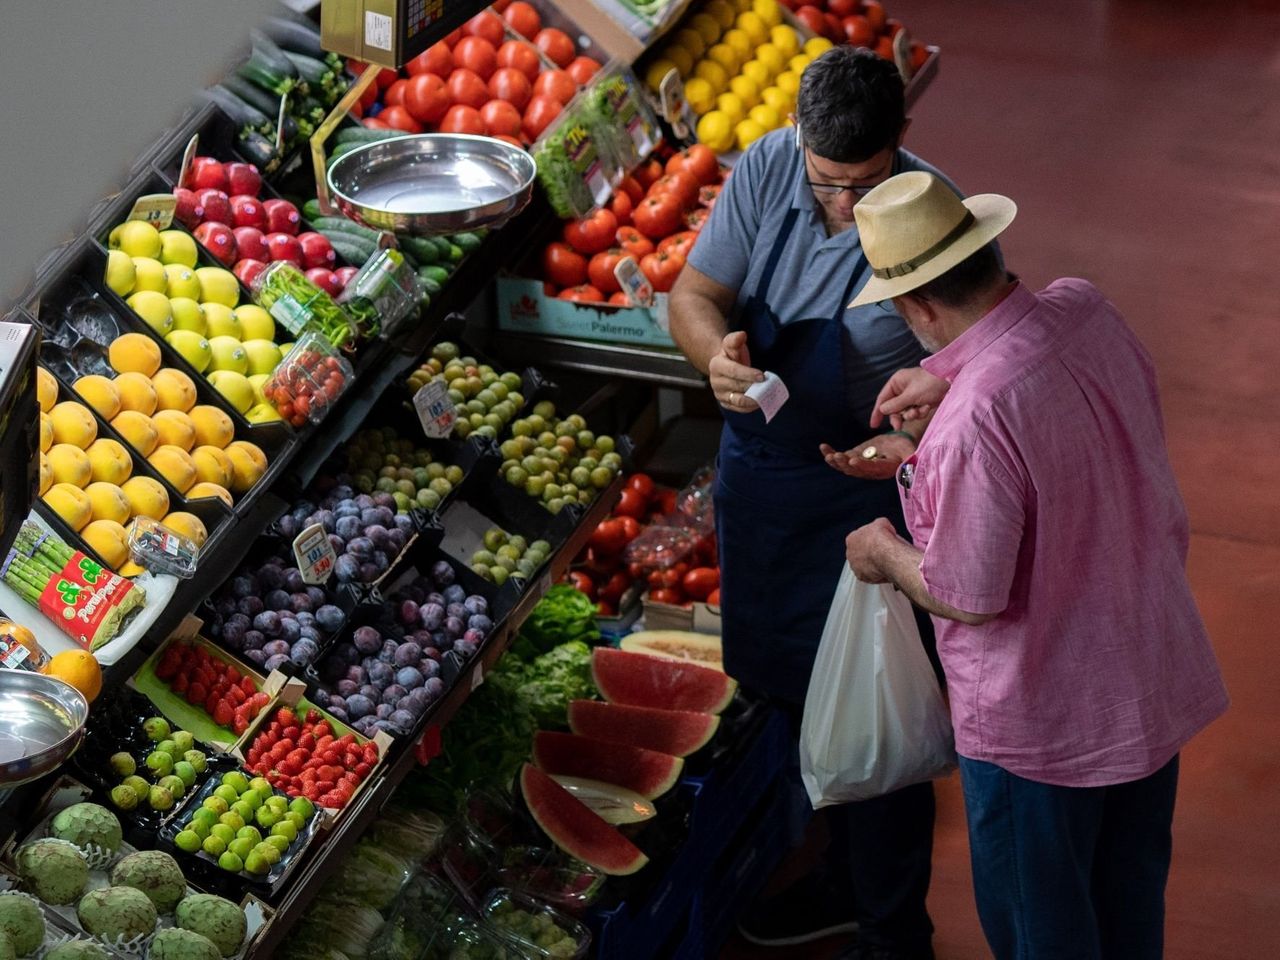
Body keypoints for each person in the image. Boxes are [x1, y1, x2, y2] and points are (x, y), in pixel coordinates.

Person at [838, 170, 1229, 960]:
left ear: (918, 307)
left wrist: (881, 551)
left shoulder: (974, 419)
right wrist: (951, 379)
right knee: (1129, 914)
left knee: (1043, 937)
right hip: (1144, 676)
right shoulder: (1086, 308)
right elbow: (1035, 382)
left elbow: (967, 593)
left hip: (1042, 729)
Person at [669, 46, 960, 960]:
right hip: (763, 485)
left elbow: (979, 376)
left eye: (864, 182)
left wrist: (916, 438)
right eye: (827, 180)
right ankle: (837, 877)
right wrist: (714, 358)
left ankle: (892, 929)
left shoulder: (934, 215)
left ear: (901, 141)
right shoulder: (765, 168)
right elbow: (694, 294)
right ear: (799, 138)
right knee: (792, 695)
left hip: (864, 499)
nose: (843, 202)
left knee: (880, 715)